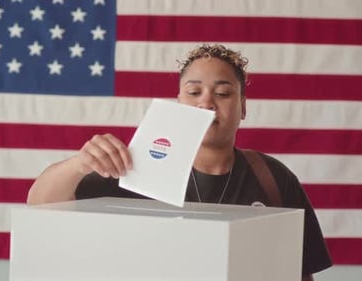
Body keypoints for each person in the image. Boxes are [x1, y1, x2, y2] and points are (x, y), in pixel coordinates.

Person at [27, 44, 332, 280]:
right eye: (194, 91)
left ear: (243, 107)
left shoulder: (273, 178)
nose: (207, 102)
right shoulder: (137, 168)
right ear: (179, 104)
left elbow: (301, 270)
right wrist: (80, 164)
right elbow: (41, 204)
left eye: (223, 92)